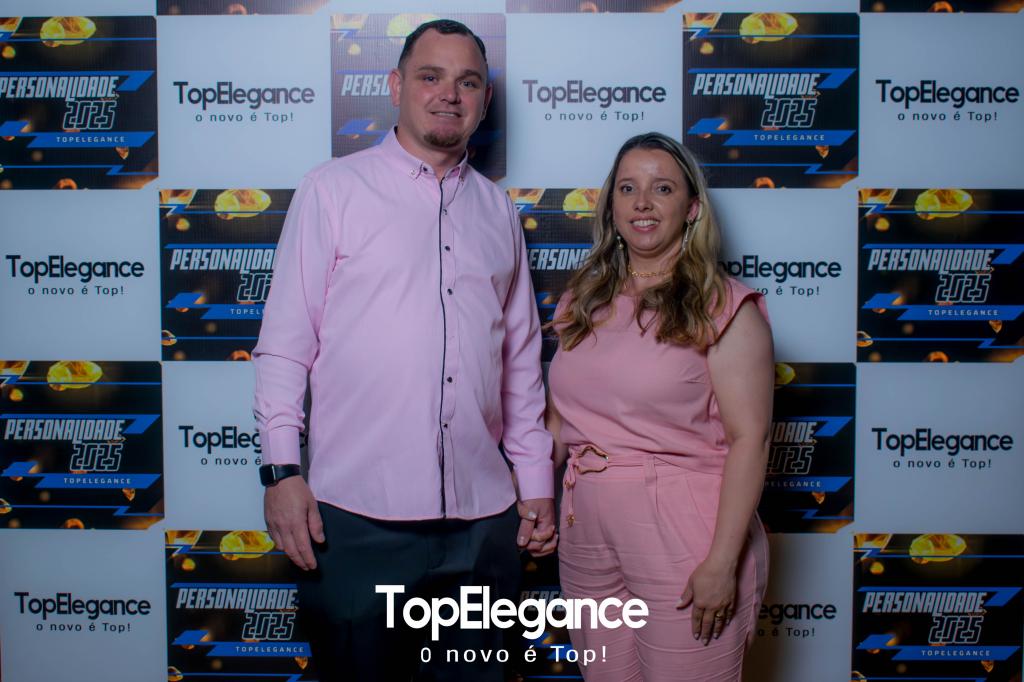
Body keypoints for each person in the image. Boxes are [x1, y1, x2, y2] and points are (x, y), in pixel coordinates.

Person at [252, 19, 556, 681]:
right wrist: (281, 471)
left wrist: (536, 484)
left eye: (467, 82)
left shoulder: (499, 212)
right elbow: (283, 347)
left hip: (483, 524)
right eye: (430, 76)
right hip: (355, 521)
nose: (449, 94)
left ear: (485, 100)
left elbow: (520, 366)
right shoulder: (332, 191)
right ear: (395, 86)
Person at [547, 132, 773, 681]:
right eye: (628, 188)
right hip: (584, 523)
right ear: (611, 206)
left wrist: (722, 561)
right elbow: (559, 422)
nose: (642, 202)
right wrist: (528, 496)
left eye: (662, 188)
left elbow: (751, 439)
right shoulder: (582, 299)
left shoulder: (725, 305)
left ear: (691, 208)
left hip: (684, 527)